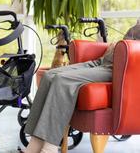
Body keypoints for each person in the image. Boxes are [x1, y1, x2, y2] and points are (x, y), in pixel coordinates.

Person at [23, 19, 140, 153]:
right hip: (106, 57)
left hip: (119, 66)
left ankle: (49, 148)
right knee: (49, 76)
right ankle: (35, 144)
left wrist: (124, 48)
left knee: (62, 80)